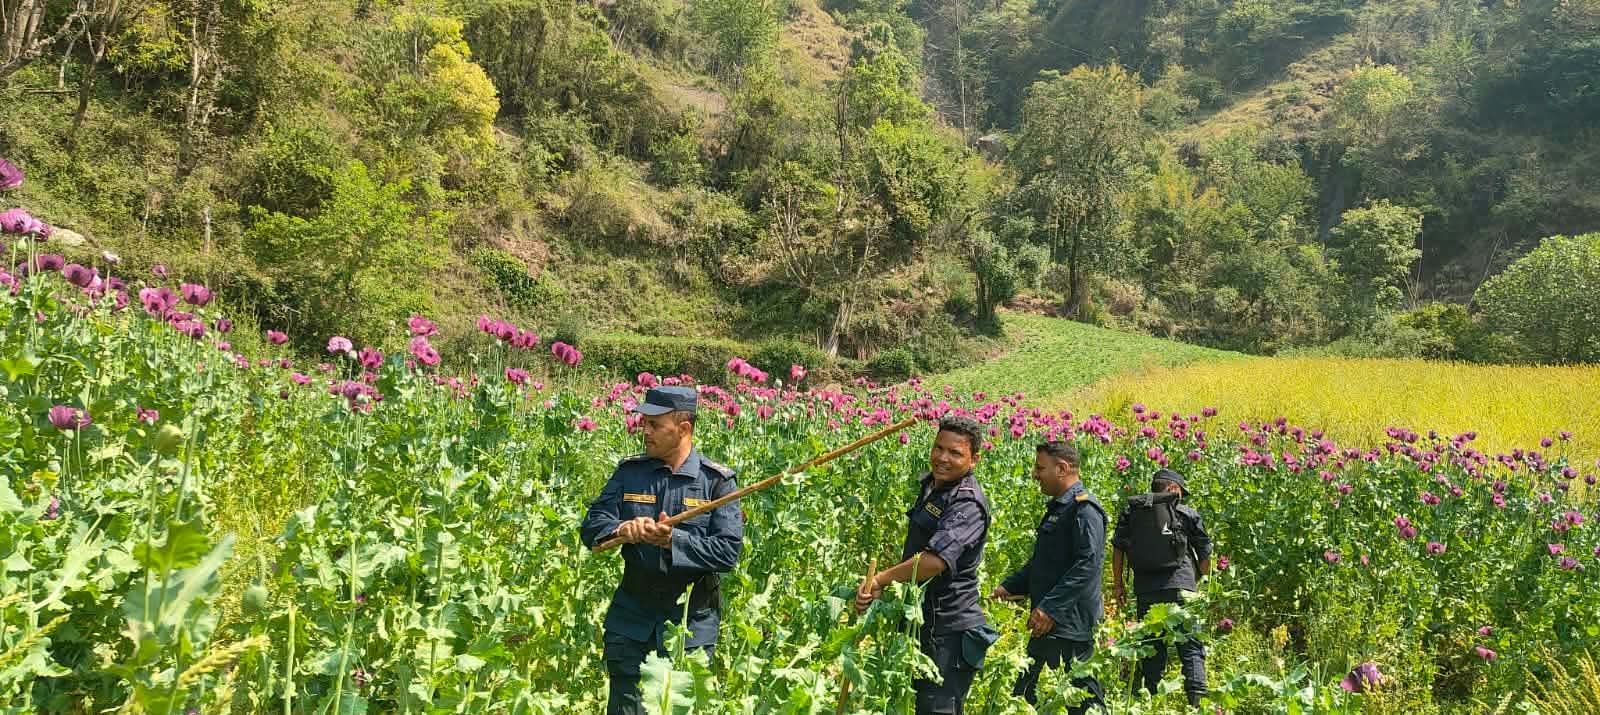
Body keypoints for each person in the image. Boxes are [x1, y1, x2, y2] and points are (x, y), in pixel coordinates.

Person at [579, 386, 744, 715]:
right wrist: (621, 529)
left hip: (689, 626)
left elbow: (727, 553)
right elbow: (592, 525)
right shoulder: (630, 473)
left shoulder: (716, 483)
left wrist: (673, 540)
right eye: (644, 423)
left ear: (684, 429)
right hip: (632, 619)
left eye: (655, 425)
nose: (645, 431)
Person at [855, 415, 997, 715]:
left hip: (949, 632)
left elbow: (934, 561)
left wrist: (881, 580)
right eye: (938, 448)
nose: (942, 458)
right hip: (922, 621)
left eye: (955, 453)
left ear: (974, 460)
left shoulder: (967, 504)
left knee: (937, 708)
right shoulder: (934, 486)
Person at [992, 441, 1107, 713]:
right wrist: (1009, 587)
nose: (1035, 474)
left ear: (1062, 469)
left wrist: (1051, 609)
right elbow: (1043, 563)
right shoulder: (1059, 509)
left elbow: (1087, 567)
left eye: (1040, 468)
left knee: (1083, 698)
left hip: (1069, 621)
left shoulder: (1085, 510)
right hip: (1046, 619)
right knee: (1021, 693)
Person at [1111, 468, 1212, 708]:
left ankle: (1153, 702)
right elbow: (1205, 554)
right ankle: (1197, 705)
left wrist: (1118, 585)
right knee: (1191, 647)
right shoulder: (1185, 513)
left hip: (1146, 590)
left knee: (1151, 648)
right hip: (1182, 588)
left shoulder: (1133, 512)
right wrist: (1201, 580)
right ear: (1172, 489)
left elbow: (1118, 549)